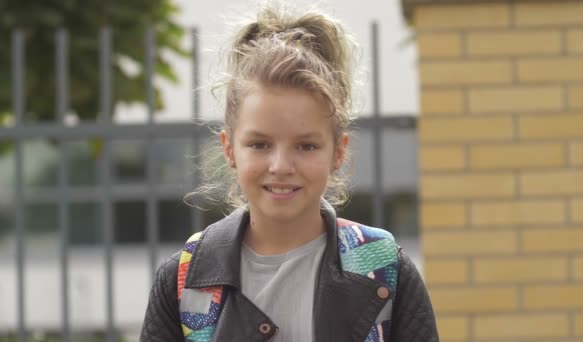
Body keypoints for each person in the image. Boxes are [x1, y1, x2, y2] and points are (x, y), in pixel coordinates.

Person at [140, 3, 438, 341]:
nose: (280, 166)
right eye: (259, 144)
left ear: (338, 151)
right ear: (228, 148)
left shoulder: (385, 269)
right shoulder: (183, 281)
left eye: (306, 146)